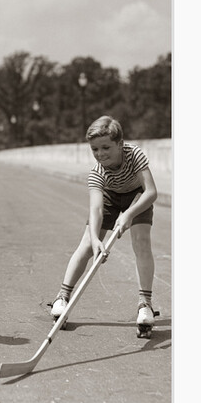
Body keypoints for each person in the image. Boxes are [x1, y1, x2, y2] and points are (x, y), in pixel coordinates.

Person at [50, 115, 159, 337]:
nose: (100, 154)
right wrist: (96, 240)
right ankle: (62, 296)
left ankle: (145, 304)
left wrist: (128, 214)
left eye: (106, 147)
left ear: (120, 143)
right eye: (95, 149)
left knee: (141, 242)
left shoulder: (134, 155)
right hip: (110, 196)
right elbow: (96, 210)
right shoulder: (96, 173)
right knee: (87, 244)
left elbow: (151, 192)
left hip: (138, 196)